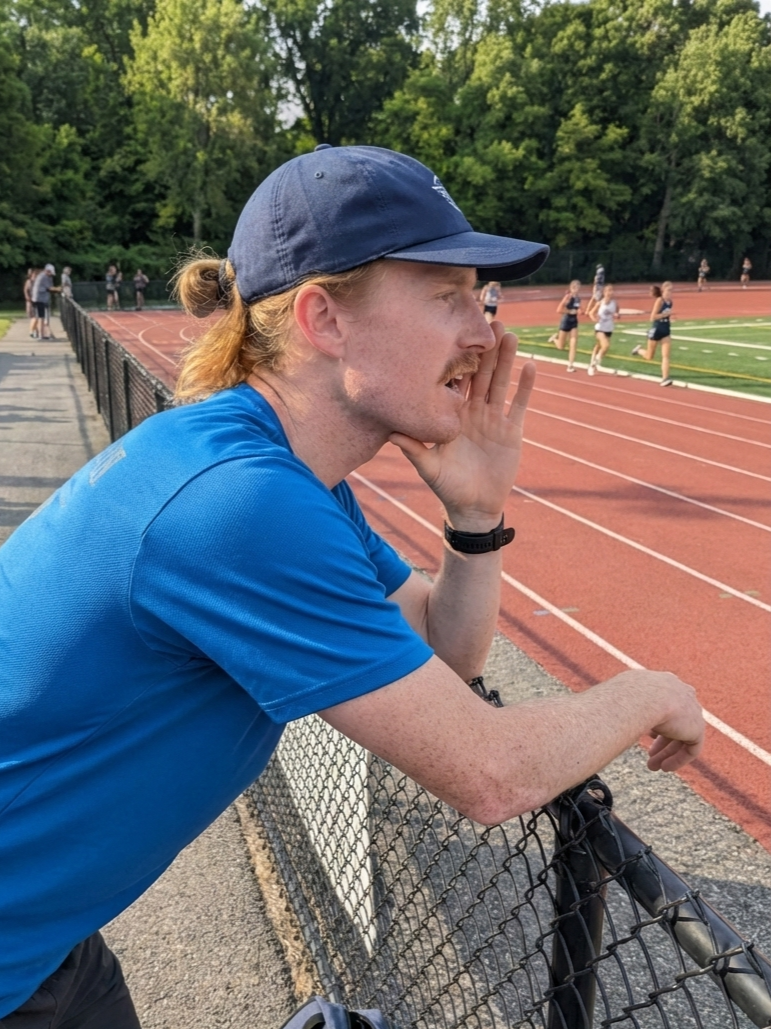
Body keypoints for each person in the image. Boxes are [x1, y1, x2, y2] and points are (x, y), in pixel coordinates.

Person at [0, 145, 704, 1026]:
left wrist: (477, 518)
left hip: (48, 940)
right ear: (324, 319)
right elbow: (489, 775)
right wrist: (650, 692)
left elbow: (445, 650)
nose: (482, 330)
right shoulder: (238, 503)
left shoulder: (281, 475)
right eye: (445, 294)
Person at [631, 282, 674, 386]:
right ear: (663, 290)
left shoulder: (670, 302)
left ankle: (665, 378)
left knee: (666, 356)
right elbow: (652, 317)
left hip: (666, 330)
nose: (670, 293)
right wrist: (664, 315)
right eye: (668, 291)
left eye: (671, 291)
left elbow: (667, 315)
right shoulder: (660, 301)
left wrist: (669, 318)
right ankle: (639, 350)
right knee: (649, 356)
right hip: (656, 330)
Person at [549, 279, 582, 372]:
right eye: (574, 287)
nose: (576, 289)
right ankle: (555, 339)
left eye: (578, 287)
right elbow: (559, 309)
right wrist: (569, 311)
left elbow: (579, 308)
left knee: (573, 343)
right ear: (571, 288)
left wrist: (580, 311)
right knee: (560, 346)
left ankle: (570, 365)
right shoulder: (568, 297)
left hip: (574, 322)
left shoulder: (578, 298)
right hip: (566, 321)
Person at [586, 283, 618, 376]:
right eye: (608, 291)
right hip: (600, 328)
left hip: (609, 328)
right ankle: (596, 363)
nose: (610, 293)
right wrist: (595, 319)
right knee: (606, 345)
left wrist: (616, 315)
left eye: (611, 290)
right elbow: (591, 313)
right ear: (604, 292)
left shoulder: (614, 303)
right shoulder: (600, 303)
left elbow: (616, 312)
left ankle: (592, 364)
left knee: (598, 346)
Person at [30, 263, 60, 341]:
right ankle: (41, 335)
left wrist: (56, 289)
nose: (51, 275)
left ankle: (44, 334)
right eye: (50, 272)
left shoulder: (47, 277)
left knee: (43, 317)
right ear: (47, 271)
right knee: (41, 318)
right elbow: (50, 288)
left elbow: (51, 287)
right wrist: (59, 289)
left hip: (42, 299)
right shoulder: (43, 276)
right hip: (39, 299)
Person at [23, 268, 37, 337]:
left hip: (35, 301)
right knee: (34, 317)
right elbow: (26, 291)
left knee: (36, 317)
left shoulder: (35, 282)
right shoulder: (29, 282)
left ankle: (34, 331)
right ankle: (32, 331)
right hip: (31, 302)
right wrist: (28, 298)